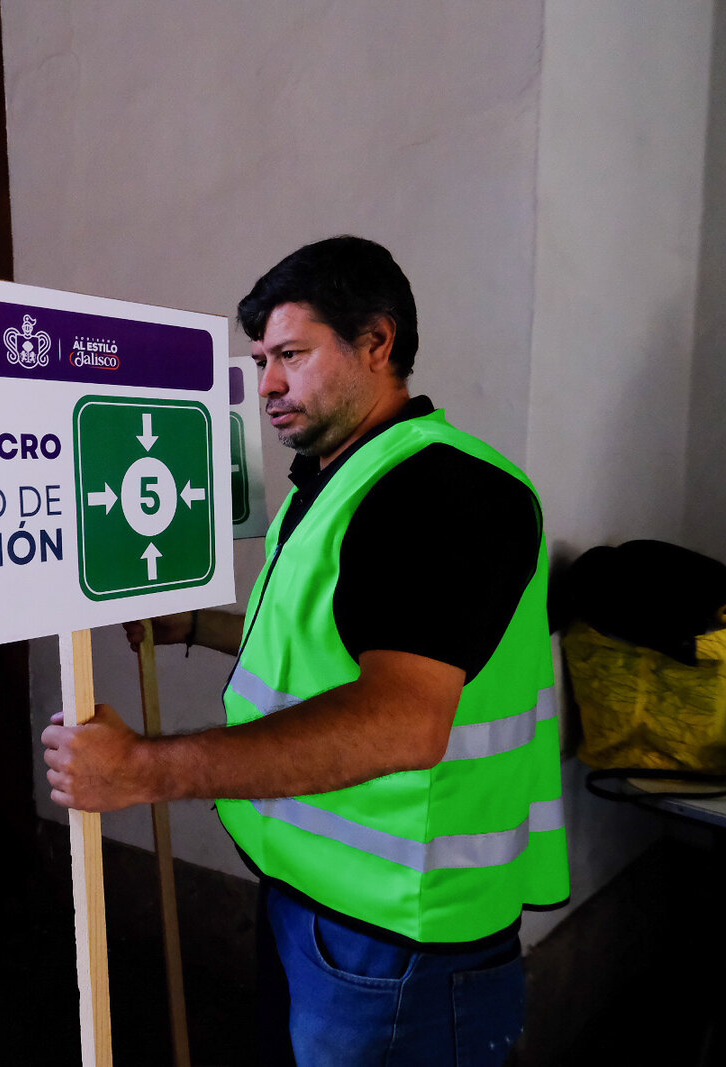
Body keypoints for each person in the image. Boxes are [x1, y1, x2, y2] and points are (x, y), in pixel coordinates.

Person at [41, 236, 568, 1066]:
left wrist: (144, 769)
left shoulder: (443, 492)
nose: (268, 385)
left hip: (402, 944)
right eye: (261, 360)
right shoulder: (334, 481)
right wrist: (199, 625)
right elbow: (324, 645)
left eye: (292, 354)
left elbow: (401, 720)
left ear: (377, 342)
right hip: (319, 904)